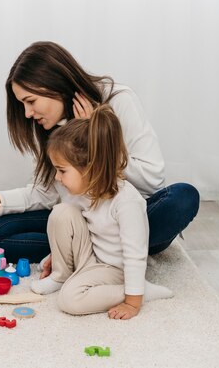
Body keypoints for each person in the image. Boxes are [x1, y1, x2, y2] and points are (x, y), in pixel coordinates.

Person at [0, 41, 200, 266]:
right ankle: (96, 252)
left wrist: (98, 142)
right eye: (22, 104)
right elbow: (45, 193)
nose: (27, 113)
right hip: (81, 221)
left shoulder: (118, 100)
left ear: (53, 86)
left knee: (183, 197)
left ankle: (87, 252)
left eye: (31, 101)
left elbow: (152, 179)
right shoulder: (49, 124)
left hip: (130, 218)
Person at [30, 105, 173, 319]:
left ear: (91, 168)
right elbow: (73, 228)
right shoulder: (82, 190)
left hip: (116, 270)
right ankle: (61, 276)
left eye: (62, 171)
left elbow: (135, 255)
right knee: (61, 212)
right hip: (92, 256)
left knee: (70, 300)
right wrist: (58, 256)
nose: (57, 178)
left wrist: (132, 303)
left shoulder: (126, 202)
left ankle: (141, 291)